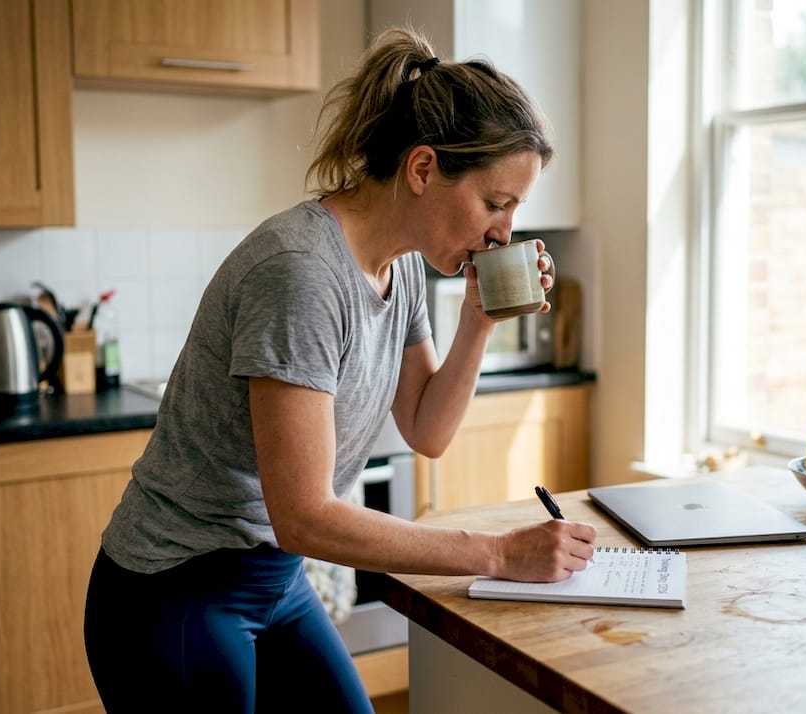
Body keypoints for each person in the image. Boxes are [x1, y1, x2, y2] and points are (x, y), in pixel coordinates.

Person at [83, 25, 597, 714]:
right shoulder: (301, 275)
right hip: (179, 587)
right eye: (495, 202)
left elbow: (426, 429)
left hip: (275, 579)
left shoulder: (405, 266)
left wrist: (478, 319)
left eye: (514, 210)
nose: (504, 231)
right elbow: (305, 516)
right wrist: (498, 554)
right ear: (422, 170)